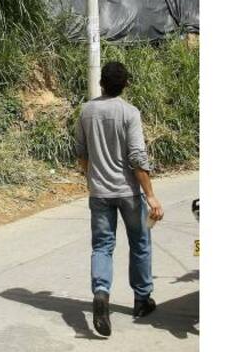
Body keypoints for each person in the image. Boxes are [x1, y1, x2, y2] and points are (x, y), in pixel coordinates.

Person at [74, 60, 164, 337]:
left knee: (102, 246)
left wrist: (92, 180)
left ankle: (101, 294)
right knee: (140, 243)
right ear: (126, 84)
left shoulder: (86, 112)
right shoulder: (130, 113)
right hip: (128, 193)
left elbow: (81, 153)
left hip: (99, 193)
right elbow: (137, 157)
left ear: (101, 83)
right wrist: (151, 196)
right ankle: (141, 300)